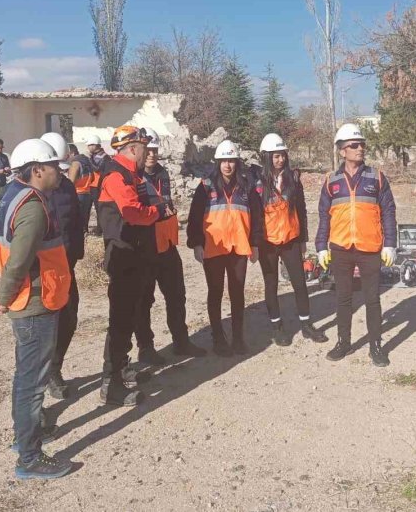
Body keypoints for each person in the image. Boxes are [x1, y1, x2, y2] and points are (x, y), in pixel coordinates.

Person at [0, 138, 73, 480]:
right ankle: (29, 457)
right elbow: (20, 260)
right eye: (54, 166)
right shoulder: (33, 207)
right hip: (35, 302)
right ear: (37, 170)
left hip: (27, 300)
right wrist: (4, 297)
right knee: (32, 382)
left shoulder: (12, 195)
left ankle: (24, 435)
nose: (59, 171)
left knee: (25, 375)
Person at [316, 123, 397, 367]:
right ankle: (344, 342)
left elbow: (388, 211)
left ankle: (375, 346)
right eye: (354, 145)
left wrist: (390, 244)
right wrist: (321, 246)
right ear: (342, 150)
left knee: (372, 299)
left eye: (362, 144)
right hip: (341, 248)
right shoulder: (331, 180)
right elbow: (324, 216)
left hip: (369, 247)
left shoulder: (376, 177)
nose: (360, 148)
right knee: (343, 299)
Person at [96, 125, 165, 406]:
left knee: (129, 314)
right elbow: (132, 212)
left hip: (132, 255)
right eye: (144, 148)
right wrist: (157, 211)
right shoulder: (116, 176)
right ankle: (111, 384)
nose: (147, 153)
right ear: (133, 148)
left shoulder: (129, 174)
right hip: (122, 257)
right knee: (120, 320)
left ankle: (122, 369)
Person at [133, 128, 207, 364]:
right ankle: (146, 348)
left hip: (167, 245)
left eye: (155, 150)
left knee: (176, 295)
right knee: (145, 300)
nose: (152, 154)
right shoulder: (133, 177)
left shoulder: (162, 173)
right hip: (145, 248)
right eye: (148, 150)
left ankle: (181, 341)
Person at [187, 140, 262, 357]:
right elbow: (194, 217)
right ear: (218, 163)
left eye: (231, 161)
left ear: (237, 162)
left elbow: (257, 217)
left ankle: (238, 338)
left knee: (237, 293)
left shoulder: (247, 186)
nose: (227, 165)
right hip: (213, 248)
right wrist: (196, 243)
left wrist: (255, 243)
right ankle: (218, 338)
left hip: (239, 247)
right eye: (223, 161)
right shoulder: (206, 186)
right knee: (215, 292)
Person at [253, 133, 327, 346]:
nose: (281, 160)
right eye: (276, 156)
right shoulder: (256, 182)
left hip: (291, 240)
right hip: (267, 242)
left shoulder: (293, 178)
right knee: (271, 284)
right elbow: (254, 215)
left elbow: (301, 210)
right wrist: (254, 243)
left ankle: (306, 325)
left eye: (283, 155)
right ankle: (277, 327)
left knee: (300, 283)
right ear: (266, 157)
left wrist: (303, 239)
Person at [40, 133, 86, 399]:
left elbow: (76, 221)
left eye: (61, 167)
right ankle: (43, 376)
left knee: (69, 319)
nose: (59, 172)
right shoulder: (30, 192)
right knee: (45, 325)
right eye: (54, 167)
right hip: (42, 272)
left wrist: (76, 253)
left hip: (66, 266)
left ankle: (54, 367)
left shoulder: (67, 187)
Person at [69, 142, 99, 234]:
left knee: (77, 218)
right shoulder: (86, 160)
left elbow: (71, 182)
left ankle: (80, 234)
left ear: (72, 153)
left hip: (78, 193)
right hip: (87, 193)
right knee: (85, 217)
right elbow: (92, 177)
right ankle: (85, 232)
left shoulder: (75, 163)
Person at [87, 135, 109, 235]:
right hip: (92, 185)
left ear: (96, 145)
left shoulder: (104, 157)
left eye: (90, 145)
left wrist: (90, 160)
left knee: (99, 209)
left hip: (98, 186)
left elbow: (97, 168)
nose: (88, 147)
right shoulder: (94, 156)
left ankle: (100, 229)